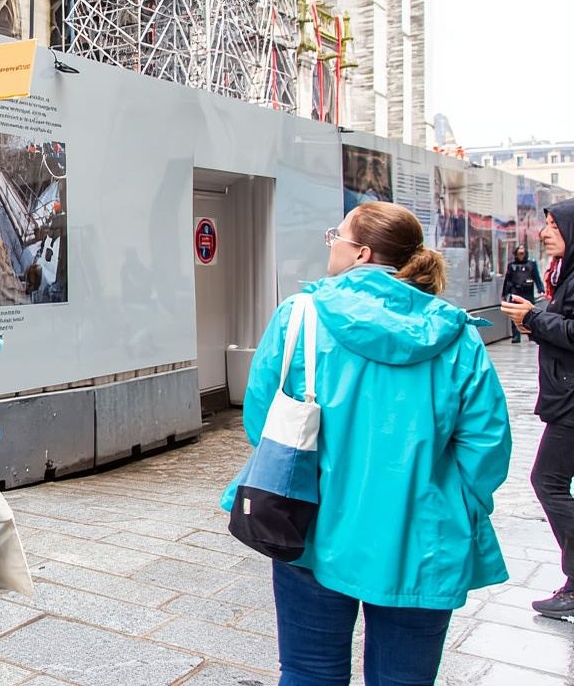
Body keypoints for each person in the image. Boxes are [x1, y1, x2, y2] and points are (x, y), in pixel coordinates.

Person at [222, 201, 511, 686]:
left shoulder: (302, 317)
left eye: (336, 235)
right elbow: (487, 448)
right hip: (424, 541)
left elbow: (260, 422)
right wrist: (447, 506)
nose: (330, 242)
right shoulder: (457, 334)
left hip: (310, 525)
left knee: (308, 672)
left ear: (362, 253)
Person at [500, 198, 574, 619]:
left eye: (552, 226)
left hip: (571, 403)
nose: (543, 233)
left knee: (547, 481)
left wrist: (534, 318)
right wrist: (535, 321)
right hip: (566, 396)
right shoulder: (562, 273)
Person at [500, 244, 541, 342]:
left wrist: (541, 288)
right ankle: (516, 335)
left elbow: (536, 277)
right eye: (519, 254)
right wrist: (505, 294)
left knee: (529, 312)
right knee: (514, 313)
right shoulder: (512, 266)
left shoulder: (531, 264)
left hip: (527, 291)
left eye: (522, 254)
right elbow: (507, 280)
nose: (521, 256)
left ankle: (531, 333)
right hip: (515, 291)